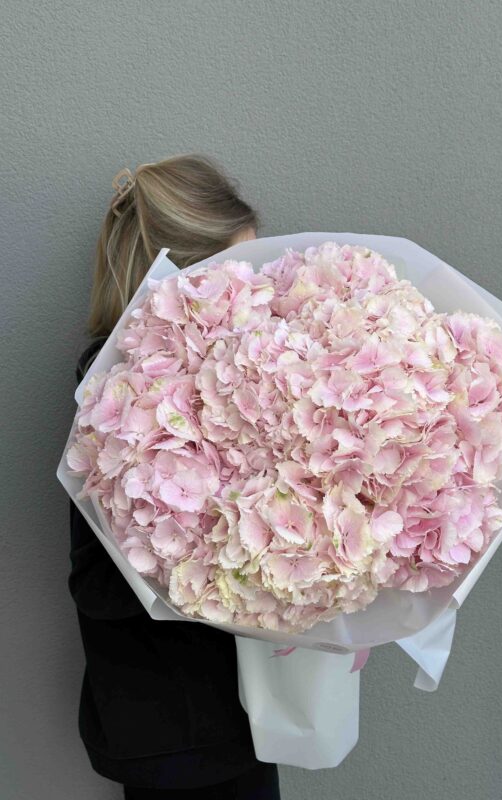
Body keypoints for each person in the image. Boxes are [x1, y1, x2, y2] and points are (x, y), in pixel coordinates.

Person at [67, 154, 281, 799]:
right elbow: (101, 583)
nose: (256, 283)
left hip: (224, 713)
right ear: (184, 280)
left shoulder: (234, 379)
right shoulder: (111, 393)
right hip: (175, 722)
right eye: (236, 269)